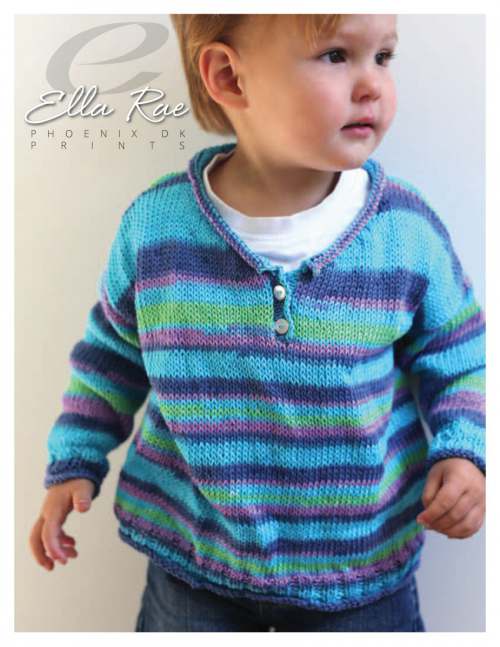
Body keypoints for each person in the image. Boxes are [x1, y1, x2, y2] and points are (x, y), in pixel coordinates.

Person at [29, 14, 486, 632]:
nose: (372, 85)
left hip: (360, 569)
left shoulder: (404, 232)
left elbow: (461, 356)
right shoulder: (157, 231)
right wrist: (76, 459)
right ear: (228, 76)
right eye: (335, 55)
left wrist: (465, 451)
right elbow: (110, 356)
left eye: (383, 56)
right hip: (194, 562)